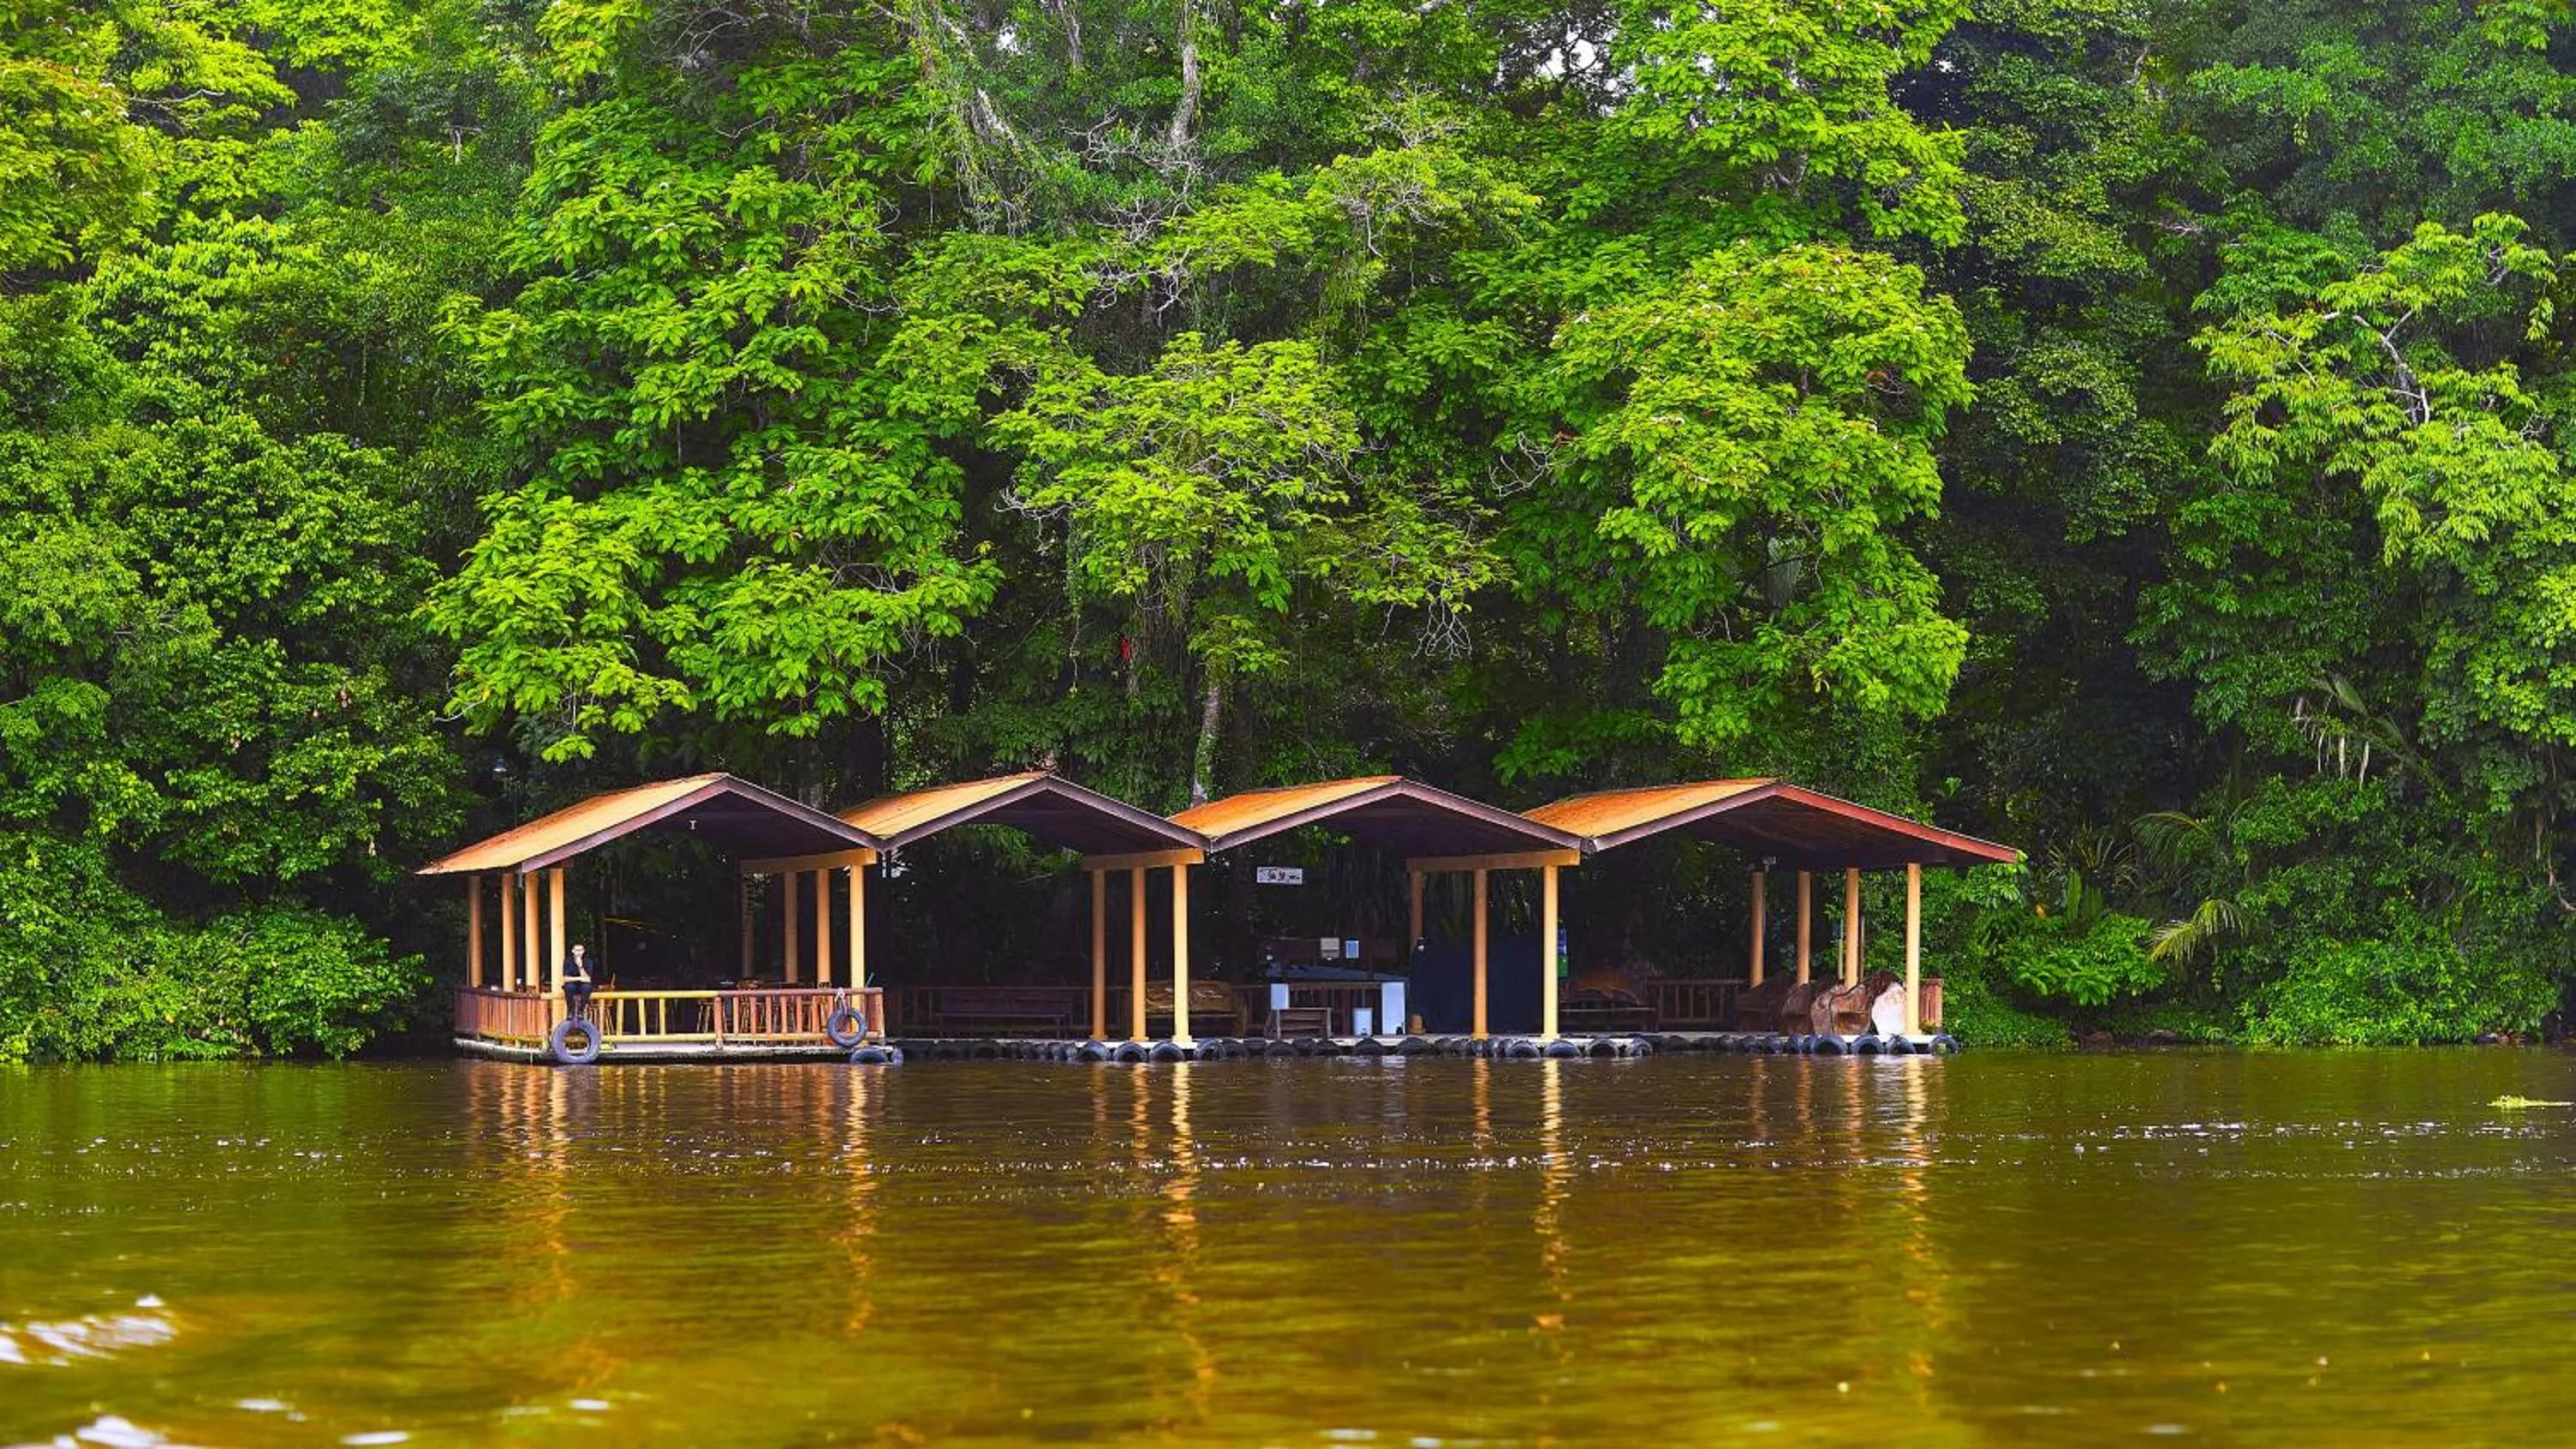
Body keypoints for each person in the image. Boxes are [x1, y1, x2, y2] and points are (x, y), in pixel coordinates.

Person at [562, 943, 597, 1022]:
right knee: (569, 987)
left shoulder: (588, 962)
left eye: (580, 950)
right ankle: (571, 1010)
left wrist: (580, 966)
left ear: (583, 951)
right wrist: (579, 978)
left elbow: (588, 979)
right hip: (572, 985)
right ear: (573, 951)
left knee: (586, 987)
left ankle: (581, 1011)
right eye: (576, 950)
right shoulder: (568, 961)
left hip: (583, 986)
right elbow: (566, 979)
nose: (578, 952)